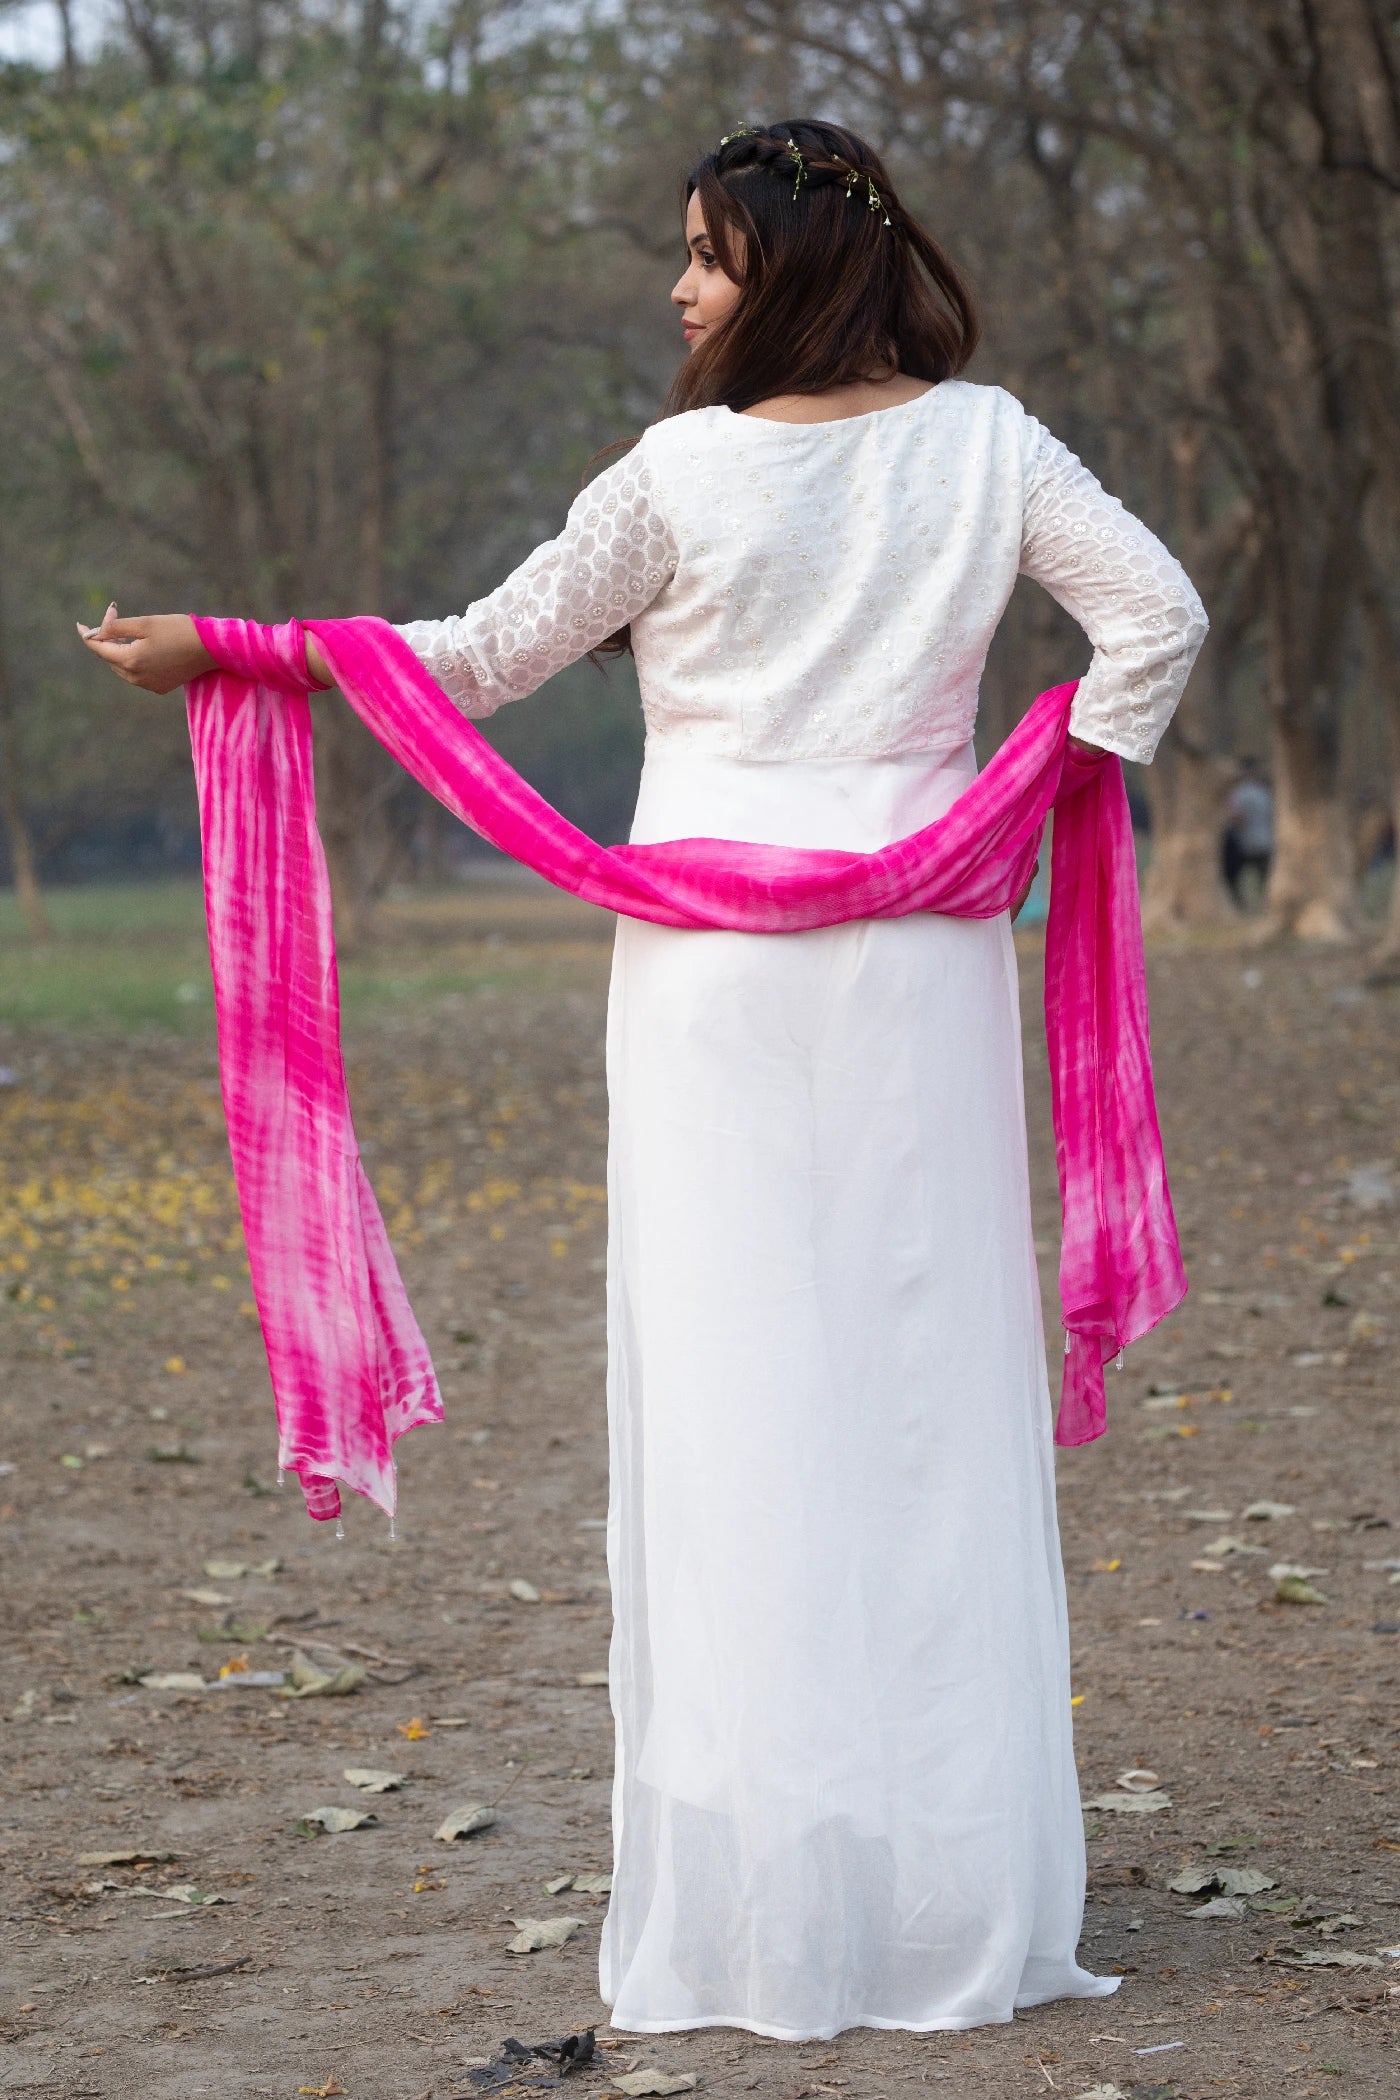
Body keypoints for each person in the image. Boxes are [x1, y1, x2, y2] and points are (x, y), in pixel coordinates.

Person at [78, 121, 1207, 2042]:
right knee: (920, 1398)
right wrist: (1028, 795)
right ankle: (949, 1894)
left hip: (708, 971)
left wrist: (241, 653)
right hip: (922, 954)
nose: (680, 290)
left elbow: (480, 657)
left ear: (784, 266)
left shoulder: (679, 474)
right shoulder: (994, 439)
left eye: (701, 255)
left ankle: (776, 1902)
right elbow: (1155, 622)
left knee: (738, 1388)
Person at [1223, 756, 1274, 905]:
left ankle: (1239, 905)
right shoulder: (1264, 792)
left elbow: (1236, 817)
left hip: (1244, 844)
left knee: (1234, 878)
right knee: (1264, 880)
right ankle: (1266, 905)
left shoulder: (1238, 793)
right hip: (1265, 842)